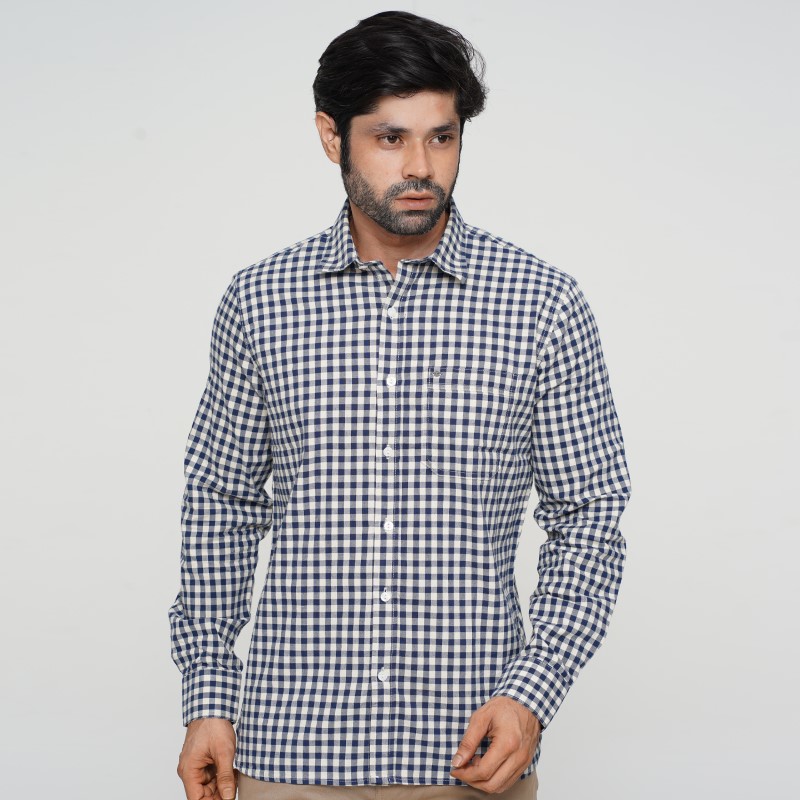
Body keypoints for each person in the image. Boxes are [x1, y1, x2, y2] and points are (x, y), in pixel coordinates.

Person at [169, 10, 632, 800]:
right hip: (290, 754)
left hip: (470, 755)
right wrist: (208, 694)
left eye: (441, 137)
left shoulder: (542, 304)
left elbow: (589, 513)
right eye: (390, 138)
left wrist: (534, 692)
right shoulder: (260, 302)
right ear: (331, 136)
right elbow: (222, 502)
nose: (421, 166)